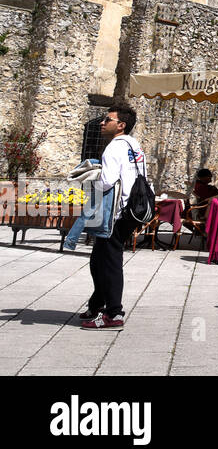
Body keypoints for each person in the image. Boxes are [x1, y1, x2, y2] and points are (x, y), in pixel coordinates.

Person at [80, 104, 146, 330]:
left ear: (121, 125)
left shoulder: (113, 148)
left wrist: (88, 181)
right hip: (134, 209)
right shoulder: (134, 145)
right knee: (99, 259)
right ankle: (97, 304)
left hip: (117, 212)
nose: (101, 122)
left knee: (110, 262)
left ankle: (113, 314)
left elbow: (107, 181)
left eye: (107, 119)